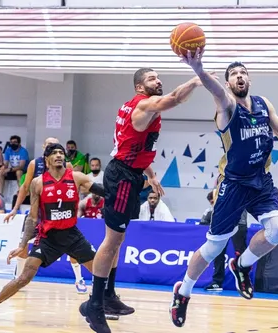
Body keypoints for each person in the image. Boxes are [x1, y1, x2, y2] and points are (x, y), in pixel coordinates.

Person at [169, 50, 278, 327]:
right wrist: (200, 71)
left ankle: (241, 265)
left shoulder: (264, 104)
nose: (239, 76)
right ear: (228, 84)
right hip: (234, 183)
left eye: (243, 72)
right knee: (214, 246)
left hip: (262, 181)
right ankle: (184, 292)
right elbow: (214, 89)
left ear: (249, 78)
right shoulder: (226, 106)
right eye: (233, 75)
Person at [80, 67, 205, 333]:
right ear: (140, 87)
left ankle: (108, 295)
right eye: (152, 78)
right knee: (111, 241)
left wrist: (151, 173)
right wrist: (197, 79)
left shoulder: (136, 107)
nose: (158, 80)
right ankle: (94, 303)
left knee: (118, 240)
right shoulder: (145, 105)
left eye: (158, 77)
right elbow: (174, 100)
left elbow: (133, 144)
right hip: (122, 176)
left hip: (131, 173)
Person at [0, 143, 115, 323]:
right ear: (47, 159)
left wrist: (126, 187)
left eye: (61, 153)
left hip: (72, 235)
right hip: (48, 238)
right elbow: (33, 218)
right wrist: (22, 245)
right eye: (54, 153)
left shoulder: (76, 177)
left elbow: (106, 192)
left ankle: (102, 306)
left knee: (100, 271)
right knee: (24, 278)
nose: (59, 155)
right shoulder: (38, 183)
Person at [4, 137, 88, 293]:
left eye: (57, 146)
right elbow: (25, 186)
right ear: (44, 147)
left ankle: (79, 279)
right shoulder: (34, 164)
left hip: (59, 213)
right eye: (49, 145)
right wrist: (15, 208)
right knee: (22, 243)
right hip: (39, 213)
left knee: (72, 247)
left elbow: (75, 186)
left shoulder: (66, 165)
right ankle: (19, 276)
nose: (54, 149)